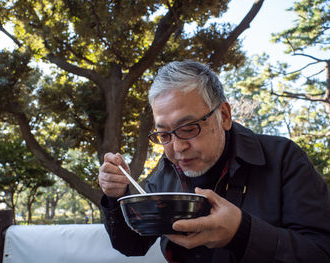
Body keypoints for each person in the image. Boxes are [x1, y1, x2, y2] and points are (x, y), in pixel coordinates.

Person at [98, 60, 330, 262]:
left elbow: (321, 252)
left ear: (224, 116)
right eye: (164, 135)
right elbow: (133, 246)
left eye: (189, 129)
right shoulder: (166, 171)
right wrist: (115, 195)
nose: (178, 148)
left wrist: (242, 233)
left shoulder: (282, 158)